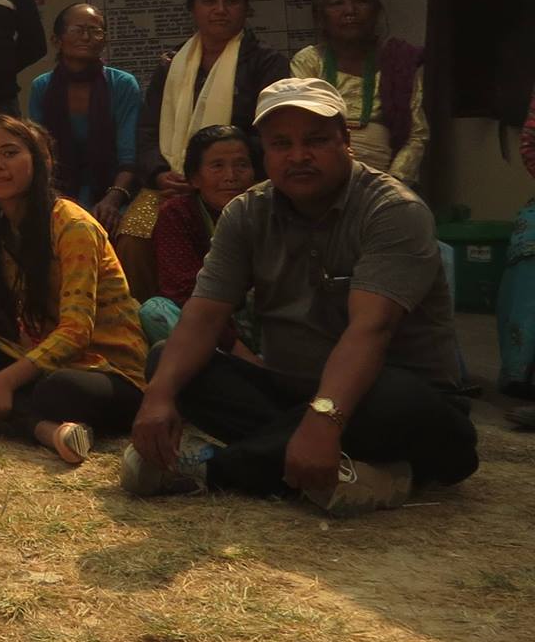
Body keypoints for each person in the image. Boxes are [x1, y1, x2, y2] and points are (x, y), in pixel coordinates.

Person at [126, 79, 478, 514]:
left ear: (345, 141)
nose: (298, 156)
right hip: (292, 395)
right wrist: (157, 396)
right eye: (281, 144)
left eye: (315, 140)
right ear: (265, 152)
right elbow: (203, 316)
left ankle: (214, 469)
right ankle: (368, 473)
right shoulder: (246, 213)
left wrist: (325, 419)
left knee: (389, 395)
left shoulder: (391, 210)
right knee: (168, 361)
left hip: (393, 402)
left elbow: (371, 329)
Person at [0, 115, 149, 463]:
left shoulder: (72, 225)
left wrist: (6, 381)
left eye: (9, 153)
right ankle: (45, 430)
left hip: (108, 371)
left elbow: (76, 331)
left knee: (56, 390)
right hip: (42, 359)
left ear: (38, 159)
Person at [122, 0, 291, 292]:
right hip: (171, 182)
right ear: (193, 9)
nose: (220, 10)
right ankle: (150, 315)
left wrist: (212, 173)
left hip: (238, 181)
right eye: (209, 1)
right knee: (133, 235)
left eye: (231, 1)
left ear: (246, 8)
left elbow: (273, 135)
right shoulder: (172, 65)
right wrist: (159, 173)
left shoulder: (267, 63)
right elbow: (147, 131)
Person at [289, 0, 427, 188]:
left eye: (360, 1)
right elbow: (301, 127)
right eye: (337, 3)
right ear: (321, 15)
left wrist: (393, 183)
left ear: (375, 10)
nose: (350, 11)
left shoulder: (398, 61)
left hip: (387, 180)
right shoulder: (309, 61)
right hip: (321, 178)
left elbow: (416, 135)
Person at [142, 125, 257, 349]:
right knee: (155, 310)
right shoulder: (178, 214)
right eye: (217, 166)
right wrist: (236, 349)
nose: (231, 176)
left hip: (262, 323)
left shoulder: (264, 208)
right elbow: (182, 289)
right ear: (194, 178)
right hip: (207, 324)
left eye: (241, 165)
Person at [27, 2, 141, 226]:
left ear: (104, 40)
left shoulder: (122, 84)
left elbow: (129, 156)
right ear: (57, 40)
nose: (86, 37)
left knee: (127, 232)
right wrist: (59, 202)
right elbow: (39, 154)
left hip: (117, 190)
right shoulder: (42, 87)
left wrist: (113, 199)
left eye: (95, 31)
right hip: (57, 192)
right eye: (78, 30)